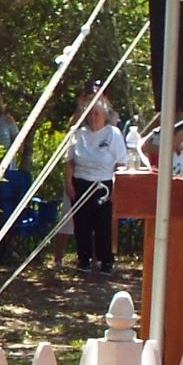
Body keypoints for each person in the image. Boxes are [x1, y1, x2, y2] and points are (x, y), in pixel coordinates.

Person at [61, 97, 125, 271]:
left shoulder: (113, 134)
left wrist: (116, 187)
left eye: (96, 113)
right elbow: (69, 161)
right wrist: (69, 183)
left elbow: (120, 164)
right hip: (81, 181)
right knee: (82, 223)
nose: (93, 117)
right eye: (90, 113)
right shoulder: (78, 133)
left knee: (103, 224)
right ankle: (84, 259)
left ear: (104, 115)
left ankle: (106, 260)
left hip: (104, 183)